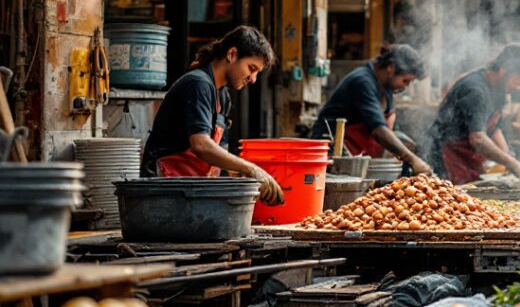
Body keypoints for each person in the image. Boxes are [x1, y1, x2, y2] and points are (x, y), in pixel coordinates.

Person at [141, 26, 284, 205]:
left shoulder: (222, 96)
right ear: (232, 54)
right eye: (251, 68)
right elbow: (201, 145)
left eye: (257, 73)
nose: (253, 79)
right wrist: (251, 169)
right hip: (164, 189)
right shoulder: (198, 84)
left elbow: (219, 155)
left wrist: (248, 182)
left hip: (192, 191)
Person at [427, 44, 520, 184]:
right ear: (503, 70)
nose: (518, 88)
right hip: (449, 157)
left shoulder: (500, 91)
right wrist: (514, 164)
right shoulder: (476, 91)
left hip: (469, 160)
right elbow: (478, 139)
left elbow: (494, 129)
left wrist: (510, 161)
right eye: (517, 81)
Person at [310, 44, 431, 174]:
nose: (405, 86)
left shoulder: (386, 88)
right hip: (333, 157)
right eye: (405, 81)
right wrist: (412, 159)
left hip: (359, 160)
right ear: (391, 67)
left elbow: (387, 126)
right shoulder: (362, 82)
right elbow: (378, 129)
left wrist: (401, 143)